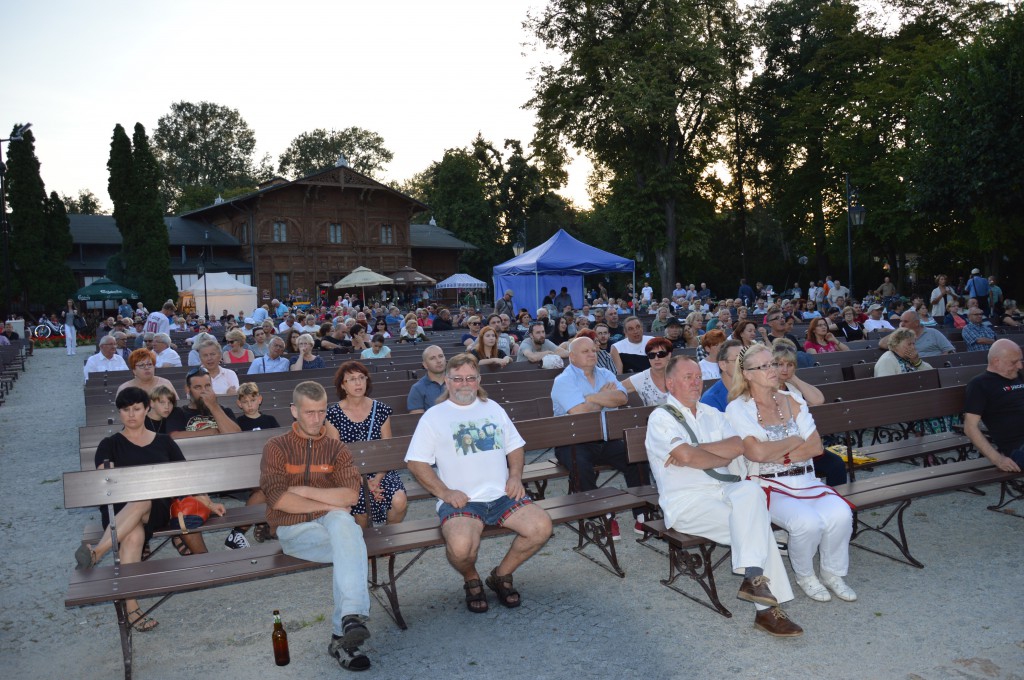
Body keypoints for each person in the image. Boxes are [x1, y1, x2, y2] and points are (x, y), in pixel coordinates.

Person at [644, 356, 802, 636]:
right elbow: (686, 456)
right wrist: (696, 454)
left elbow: (736, 447)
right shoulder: (660, 418)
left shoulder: (711, 413)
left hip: (724, 491)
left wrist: (694, 451)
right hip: (688, 503)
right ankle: (765, 608)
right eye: (687, 377)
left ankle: (754, 582)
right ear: (670, 383)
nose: (696, 382)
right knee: (756, 525)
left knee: (750, 490)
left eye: (697, 376)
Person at [406, 354, 553, 613]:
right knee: (462, 548)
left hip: (501, 495)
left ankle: (501, 576)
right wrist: (445, 492)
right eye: (458, 379)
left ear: (478, 380)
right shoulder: (434, 416)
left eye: (470, 378)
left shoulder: (493, 408)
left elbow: (515, 446)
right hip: (462, 501)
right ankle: (471, 578)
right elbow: (416, 463)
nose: (464, 384)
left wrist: (515, 476)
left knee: (541, 527)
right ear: (447, 382)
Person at [75, 387, 214, 632]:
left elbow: (184, 476)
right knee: (134, 535)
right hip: (119, 510)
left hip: (156, 508)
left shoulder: (163, 442)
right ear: (119, 413)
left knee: (141, 500)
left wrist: (209, 502)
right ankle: (132, 608)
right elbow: (104, 481)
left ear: (146, 409)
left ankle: (96, 553)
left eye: (136, 409)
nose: (131, 415)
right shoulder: (109, 444)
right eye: (125, 410)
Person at [726, 344, 857, 604]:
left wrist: (781, 454)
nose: (773, 370)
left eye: (773, 364)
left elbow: (816, 446)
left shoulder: (793, 400)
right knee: (807, 523)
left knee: (841, 514)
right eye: (764, 366)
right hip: (769, 485)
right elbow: (756, 454)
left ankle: (832, 574)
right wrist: (795, 440)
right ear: (748, 374)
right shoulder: (739, 409)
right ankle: (806, 576)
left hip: (807, 479)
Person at [260, 381, 373, 670]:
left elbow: (350, 495)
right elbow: (279, 499)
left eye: (322, 412)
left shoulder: (336, 448)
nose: (316, 419)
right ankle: (344, 632)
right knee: (349, 540)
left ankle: (348, 621)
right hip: (293, 530)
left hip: (333, 525)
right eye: (309, 412)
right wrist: (330, 502)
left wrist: (305, 491)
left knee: (343, 526)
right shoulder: (276, 447)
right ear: (294, 411)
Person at [551, 336, 644, 537]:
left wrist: (591, 398)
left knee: (636, 458)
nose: (592, 354)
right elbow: (580, 412)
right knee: (581, 465)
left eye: (593, 350)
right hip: (572, 442)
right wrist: (603, 397)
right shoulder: (563, 380)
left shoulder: (605, 373)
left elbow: (622, 397)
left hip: (606, 439)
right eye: (585, 351)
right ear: (572, 356)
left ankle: (642, 514)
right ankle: (600, 515)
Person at [326, 362, 407, 528]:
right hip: (350, 474)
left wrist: (376, 480)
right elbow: (337, 458)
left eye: (361, 378)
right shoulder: (332, 415)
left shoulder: (380, 410)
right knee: (359, 507)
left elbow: (387, 452)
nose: (358, 383)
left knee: (399, 500)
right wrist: (364, 482)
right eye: (352, 379)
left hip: (381, 471)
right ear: (343, 385)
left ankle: (387, 539)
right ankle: (364, 547)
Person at [964, 339, 1024, 472]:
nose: (1020, 366)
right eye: (1014, 362)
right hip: (1018, 446)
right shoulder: (979, 385)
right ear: (997, 361)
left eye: (1021, 360)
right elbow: (970, 427)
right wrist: (997, 459)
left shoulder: (1019, 376)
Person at [173, 367, 242, 438]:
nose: (204, 391)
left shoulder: (225, 411)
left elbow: (236, 436)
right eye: (198, 387)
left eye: (207, 386)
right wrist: (212, 432)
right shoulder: (179, 413)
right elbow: (174, 437)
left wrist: (214, 406)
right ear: (187, 389)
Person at [879, 310, 955, 357]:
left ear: (916, 323)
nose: (902, 324)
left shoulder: (933, 333)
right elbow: (882, 344)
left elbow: (950, 351)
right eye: (901, 321)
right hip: (913, 370)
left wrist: (937, 363)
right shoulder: (901, 336)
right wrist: (898, 331)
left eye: (905, 321)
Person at [622, 337, 672, 406]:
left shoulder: (680, 373)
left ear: (669, 355)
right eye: (652, 355)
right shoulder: (642, 378)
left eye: (661, 354)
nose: (656, 359)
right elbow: (617, 389)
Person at [700, 339, 744, 412]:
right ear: (723, 365)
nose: (743, 364)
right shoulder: (711, 400)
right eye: (737, 360)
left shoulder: (752, 390)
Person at [408, 345, 446, 414]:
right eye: (432, 358)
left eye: (441, 356)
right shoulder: (417, 388)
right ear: (425, 365)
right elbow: (417, 419)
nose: (438, 361)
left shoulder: (457, 381)